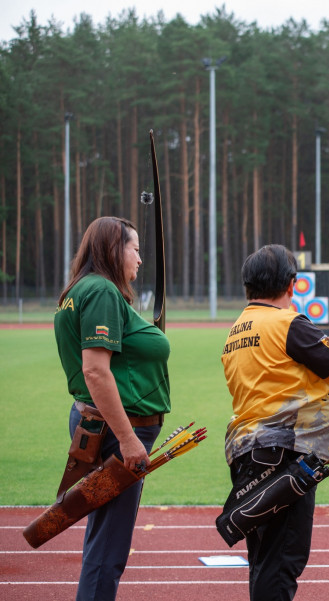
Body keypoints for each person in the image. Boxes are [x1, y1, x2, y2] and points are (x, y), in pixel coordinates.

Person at [222, 244, 329, 601]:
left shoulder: (237, 329)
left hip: (247, 452)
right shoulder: (288, 324)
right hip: (283, 455)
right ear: (292, 284)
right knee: (282, 559)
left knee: (264, 556)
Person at [54, 216, 170, 601]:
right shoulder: (102, 291)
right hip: (114, 433)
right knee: (109, 546)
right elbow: (96, 371)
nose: (140, 258)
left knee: (104, 535)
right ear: (112, 249)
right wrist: (128, 440)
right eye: (135, 248)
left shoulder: (81, 289)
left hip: (100, 427)